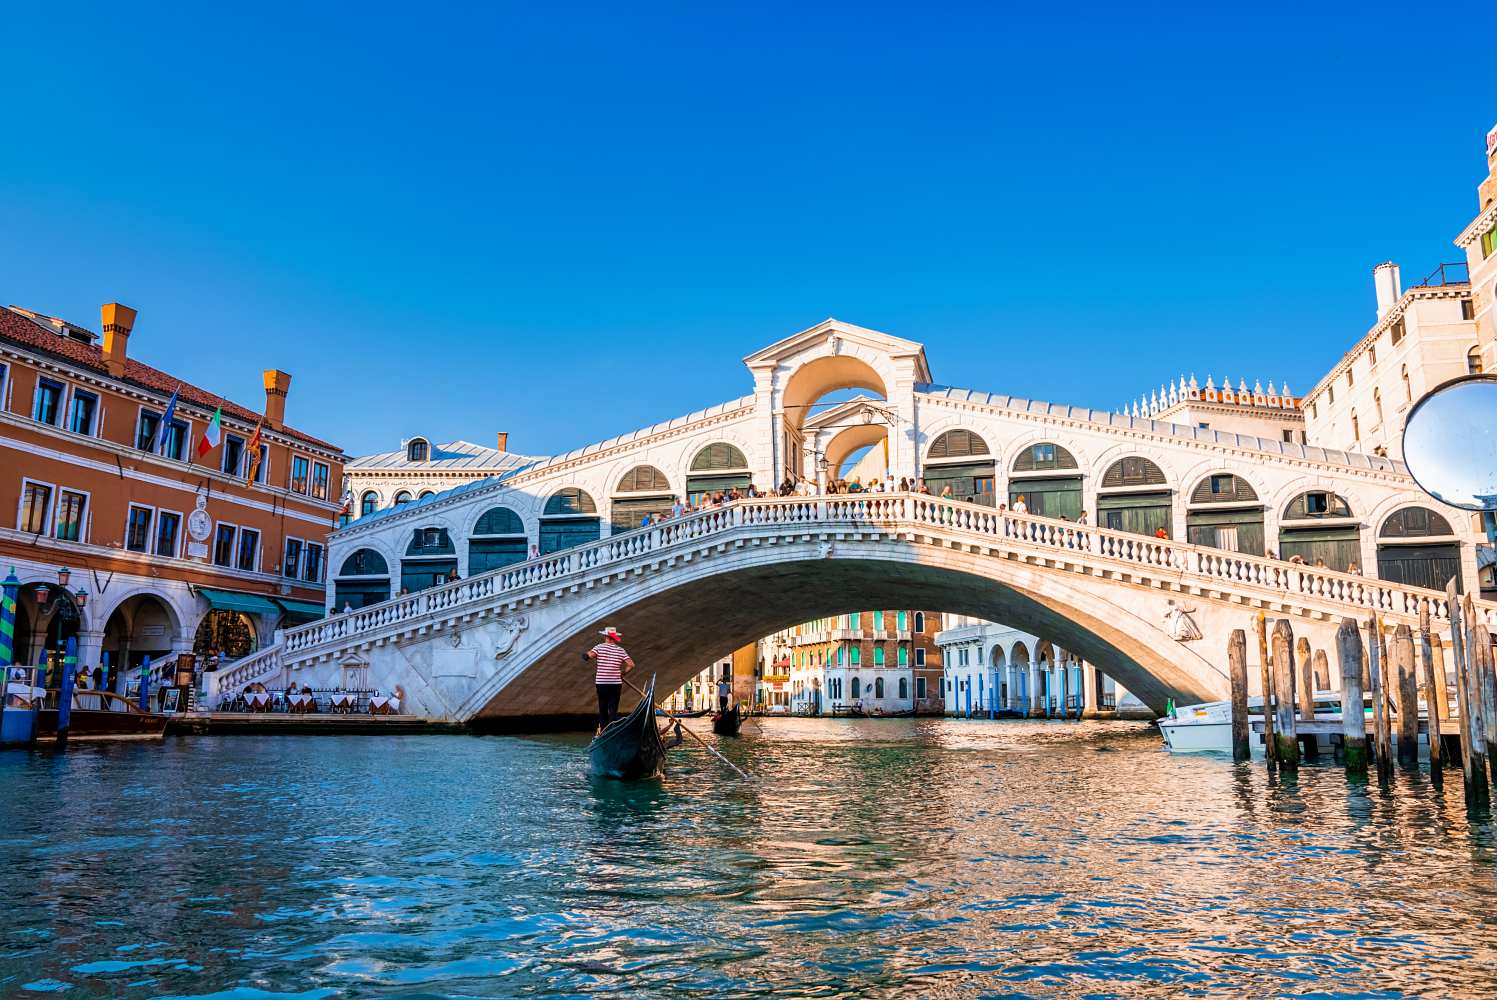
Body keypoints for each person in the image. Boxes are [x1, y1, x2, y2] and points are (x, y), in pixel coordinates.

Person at [586, 627, 635, 732]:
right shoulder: (621, 650)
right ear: (614, 637)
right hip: (615, 683)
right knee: (613, 709)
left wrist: (586, 654)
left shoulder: (599, 647)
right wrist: (622, 673)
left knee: (603, 707)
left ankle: (604, 731)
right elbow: (631, 665)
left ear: (605, 636)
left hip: (602, 683)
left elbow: (590, 655)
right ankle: (612, 730)